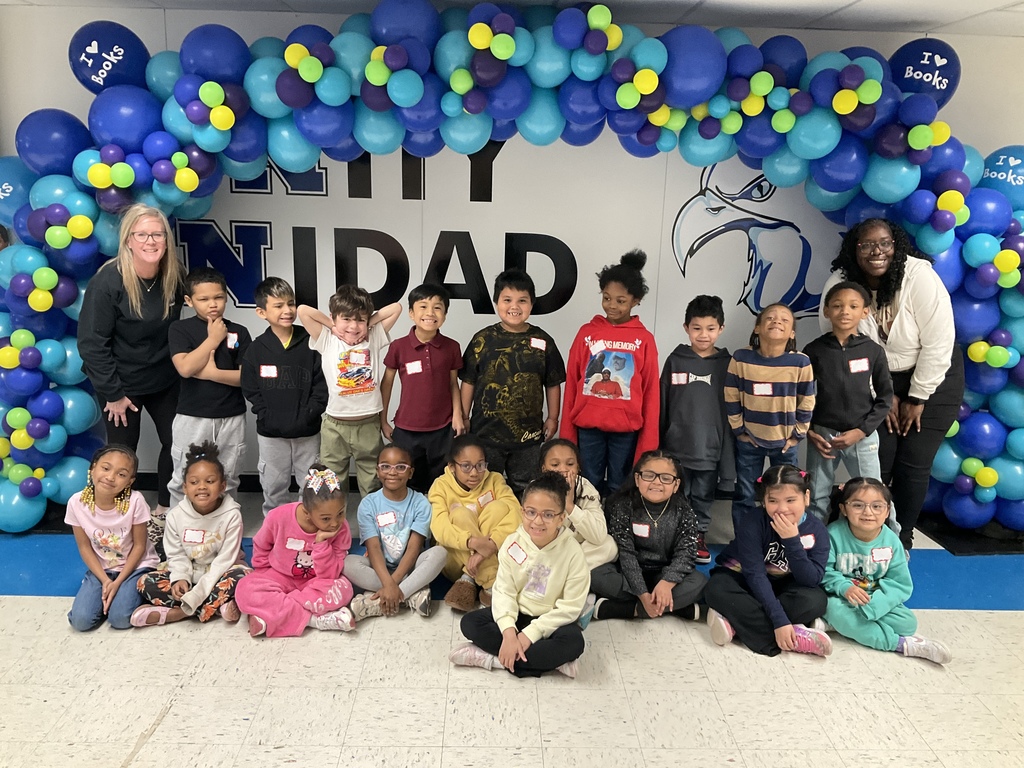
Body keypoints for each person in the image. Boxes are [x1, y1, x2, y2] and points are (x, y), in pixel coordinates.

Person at [822, 218, 963, 550]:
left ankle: (901, 540)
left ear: (895, 246)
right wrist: (882, 395)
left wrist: (917, 395)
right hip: (871, 379)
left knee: (914, 463)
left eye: (885, 243)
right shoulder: (840, 285)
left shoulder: (919, 276)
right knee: (877, 460)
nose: (877, 251)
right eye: (867, 245)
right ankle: (865, 535)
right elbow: (841, 352)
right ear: (853, 249)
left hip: (934, 377)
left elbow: (939, 343)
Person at [78, 204, 184, 526]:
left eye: (157, 234)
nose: (151, 241)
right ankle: (116, 519)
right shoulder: (109, 281)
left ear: (166, 239)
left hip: (162, 378)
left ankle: (166, 509)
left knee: (177, 443)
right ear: (128, 241)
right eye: (142, 235)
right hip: (119, 382)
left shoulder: (173, 276)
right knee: (121, 455)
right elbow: (92, 343)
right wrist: (113, 393)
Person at [450, 472, 589, 678]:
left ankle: (494, 660)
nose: (538, 521)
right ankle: (548, 663)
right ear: (522, 512)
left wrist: (528, 636)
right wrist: (508, 633)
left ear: (562, 518)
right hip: (518, 615)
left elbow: (570, 608)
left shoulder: (574, 554)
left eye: (548, 515)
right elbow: (504, 591)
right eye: (531, 512)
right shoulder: (512, 543)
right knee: (470, 623)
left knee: (574, 642)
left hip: (550, 622)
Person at [703, 465, 831, 657]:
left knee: (816, 601)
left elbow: (811, 580)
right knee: (716, 589)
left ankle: (736, 624)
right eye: (773, 501)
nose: (782, 509)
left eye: (790, 500)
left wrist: (791, 541)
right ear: (763, 501)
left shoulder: (817, 529)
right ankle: (793, 638)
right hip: (742, 578)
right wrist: (780, 621)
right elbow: (755, 575)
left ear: (806, 497)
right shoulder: (753, 522)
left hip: (783, 585)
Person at [561, 250, 660, 495]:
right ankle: (589, 529)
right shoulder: (586, 333)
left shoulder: (644, 339)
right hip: (588, 428)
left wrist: (649, 441)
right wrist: (566, 433)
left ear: (635, 300)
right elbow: (573, 383)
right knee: (588, 483)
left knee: (620, 484)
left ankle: (616, 530)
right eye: (606, 298)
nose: (611, 305)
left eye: (620, 300)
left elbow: (650, 392)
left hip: (626, 432)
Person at [822, 477, 952, 664]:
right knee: (833, 608)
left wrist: (875, 605)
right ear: (843, 509)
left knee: (907, 623)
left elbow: (900, 584)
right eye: (858, 505)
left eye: (877, 506)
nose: (868, 512)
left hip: (875, 599)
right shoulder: (833, 534)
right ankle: (900, 645)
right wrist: (844, 588)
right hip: (841, 598)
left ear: (887, 511)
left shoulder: (891, 541)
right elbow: (825, 572)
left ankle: (838, 625)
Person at [461, 268, 565, 497]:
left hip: (527, 437)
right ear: (496, 301)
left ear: (532, 304)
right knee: (485, 489)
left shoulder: (543, 341)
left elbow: (553, 382)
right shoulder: (482, 339)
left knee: (526, 488)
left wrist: (553, 417)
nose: (514, 307)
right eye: (507, 300)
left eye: (522, 301)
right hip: (486, 433)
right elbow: (468, 380)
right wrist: (464, 416)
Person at [298, 285, 402, 499]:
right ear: (334, 318)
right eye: (346, 319)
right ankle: (334, 528)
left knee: (372, 480)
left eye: (359, 320)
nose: (353, 326)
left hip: (368, 424)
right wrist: (333, 326)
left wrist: (367, 325)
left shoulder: (373, 338)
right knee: (331, 483)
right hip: (335, 426)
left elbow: (397, 308)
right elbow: (303, 311)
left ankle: (371, 527)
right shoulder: (327, 339)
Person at [132, 441, 249, 627]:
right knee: (144, 582)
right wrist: (180, 578)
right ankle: (216, 607)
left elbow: (224, 560)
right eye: (194, 482)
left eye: (210, 481)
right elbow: (176, 554)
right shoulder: (175, 515)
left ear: (223, 486)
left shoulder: (232, 515)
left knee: (245, 580)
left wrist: (197, 593)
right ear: (185, 487)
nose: (202, 487)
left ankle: (179, 613)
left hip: (220, 573)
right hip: (190, 574)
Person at [804, 281, 893, 522]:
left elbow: (885, 398)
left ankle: (890, 542)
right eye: (837, 306)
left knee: (874, 492)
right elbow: (802, 396)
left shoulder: (873, 351)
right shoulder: (813, 350)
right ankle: (814, 545)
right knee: (816, 495)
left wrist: (862, 431)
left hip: (861, 435)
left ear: (865, 311)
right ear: (826, 311)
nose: (845, 311)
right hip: (822, 436)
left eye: (853, 306)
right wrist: (810, 431)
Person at [235, 465, 358, 636]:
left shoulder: (341, 529)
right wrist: (263, 573)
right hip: (279, 576)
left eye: (340, 513)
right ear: (307, 513)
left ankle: (274, 615)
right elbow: (261, 545)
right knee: (244, 589)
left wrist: (321, 543)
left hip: (315, 582)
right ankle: (314, 620)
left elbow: (330, 574)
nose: (335, 523)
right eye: (325, 518)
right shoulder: (278, 517)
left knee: (344, 589)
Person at [241, 277, 328, 516]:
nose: (287, 310)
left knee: (311, 485)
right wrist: (265, 414)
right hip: (271, 433)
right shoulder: (256, 349)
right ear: (262, 312)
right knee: (273, 485)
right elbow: (250, 388)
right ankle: (275, 529)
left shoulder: (311, 342)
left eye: (291, 303)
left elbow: (323, 385)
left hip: (308, 432)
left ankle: (308, 526)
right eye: (278, 305)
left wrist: (311, 413)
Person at [725, 303, 816, 530]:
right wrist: (740, 431)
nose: (777, 322)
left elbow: (807, 399)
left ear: (792, 333)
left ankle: (783, 540)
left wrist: (797, 435)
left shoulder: (800, 362)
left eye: (785, 320)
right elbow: (731, 395)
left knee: (786, 495)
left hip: (785, 444)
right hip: (750, 441)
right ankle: (744, 541)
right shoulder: (741, 358)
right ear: (757, 328)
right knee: (745, 493)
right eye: (770, 318)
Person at [167, 267, 251, 508]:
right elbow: (184, 368)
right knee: (183, 478)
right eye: (203, 299)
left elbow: (247, 378)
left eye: (218, 297)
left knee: (228, 479)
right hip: (192, 416)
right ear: (189, 301)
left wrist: (210, 373)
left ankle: (225, 533)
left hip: (231, 416)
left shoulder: (239, 331)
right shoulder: (180, 329)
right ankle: (180, 538)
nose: (212, 304)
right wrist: (213, 339)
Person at [590, 451, 707, 621]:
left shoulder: (684, 510)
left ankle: (628, 610)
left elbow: (687, 552)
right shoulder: (623, 506)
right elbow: (626, 553)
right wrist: (643, 594)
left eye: (666, 478)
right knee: (596, 575)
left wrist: (667, 582)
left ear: (676, 485)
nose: (657, 482)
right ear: (637, 479)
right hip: (627, 575)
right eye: (649, 475)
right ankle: (675, 608)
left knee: (699, 582)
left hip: (664, 574)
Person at [660, 294, 733, 564]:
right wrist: (660, 447)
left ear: (721, 329)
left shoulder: (728, 364)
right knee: (674, 495)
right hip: (676, 448)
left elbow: (731, 414)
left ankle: (697, 536)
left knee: (702, 496)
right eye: (697, 328)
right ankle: (673, 537)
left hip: (709, 449)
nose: (703, 335)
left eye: (710, 328)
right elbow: (663, 405)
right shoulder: (675, 360)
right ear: (686, 328)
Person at [344, 445, 447, 619]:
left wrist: (394, 584)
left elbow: (414, 548)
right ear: (377, 471)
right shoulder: (368, 504)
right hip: (378, 569)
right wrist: (388, 583)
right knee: (347, 563)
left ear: (411, 472)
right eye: (385, 466)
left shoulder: (420, 502)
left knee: (440, 553)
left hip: (411, 566)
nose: (392, 472)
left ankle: (379, 602)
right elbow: (374, 548)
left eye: (400, 467)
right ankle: (410, 595)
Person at [380, 283, 465, 493]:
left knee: (442, 480)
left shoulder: (452, 346)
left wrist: (458, 415)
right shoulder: (398, 346)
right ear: (411, 313)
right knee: (408, 480)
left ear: (444, 314)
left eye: (437, 307)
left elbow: (454, 383)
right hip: (406, 429)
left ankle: (438, 521)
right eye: (423, 306)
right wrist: (382, 420)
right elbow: (387, 384)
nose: (430, 313)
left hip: (442, 428)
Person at [65, 445, 159, 631]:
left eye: (121, 474)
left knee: (120, 620)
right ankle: (103, 596)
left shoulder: (135, 501)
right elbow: (85, 548)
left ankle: (135, 595)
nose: (110, 477)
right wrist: (106, 581)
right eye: (105, 468)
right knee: (81, 622)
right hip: (102, 569)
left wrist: (118, 582)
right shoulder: (76, 503)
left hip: (135, 567)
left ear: (130, 481)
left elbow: (139, 546)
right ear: (92, 468)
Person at [428, 434, 521, 612]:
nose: (474, 472)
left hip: (491, 551)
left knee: (499, 508)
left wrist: (490, 545)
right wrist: (471, 542)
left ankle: (468, 578)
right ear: (452, 467)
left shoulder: (494, 479)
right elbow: (439, 527)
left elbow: (516, 513)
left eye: (480, 465)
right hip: (454, 559)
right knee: (460, 515)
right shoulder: (440, 486)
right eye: (466, 466)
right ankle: (491, 583)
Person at [539, 438, 617, 579]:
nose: (563, 469)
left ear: (578, 467)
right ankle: (567, 581)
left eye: (570, 464)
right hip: (548, 550)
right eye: (555, 464)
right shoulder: (536, 491)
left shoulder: (586, 488)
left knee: (609, 545)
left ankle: (562, 578)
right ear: (544, 468)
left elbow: (598, 535)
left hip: (575, 551)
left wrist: (570, 506)